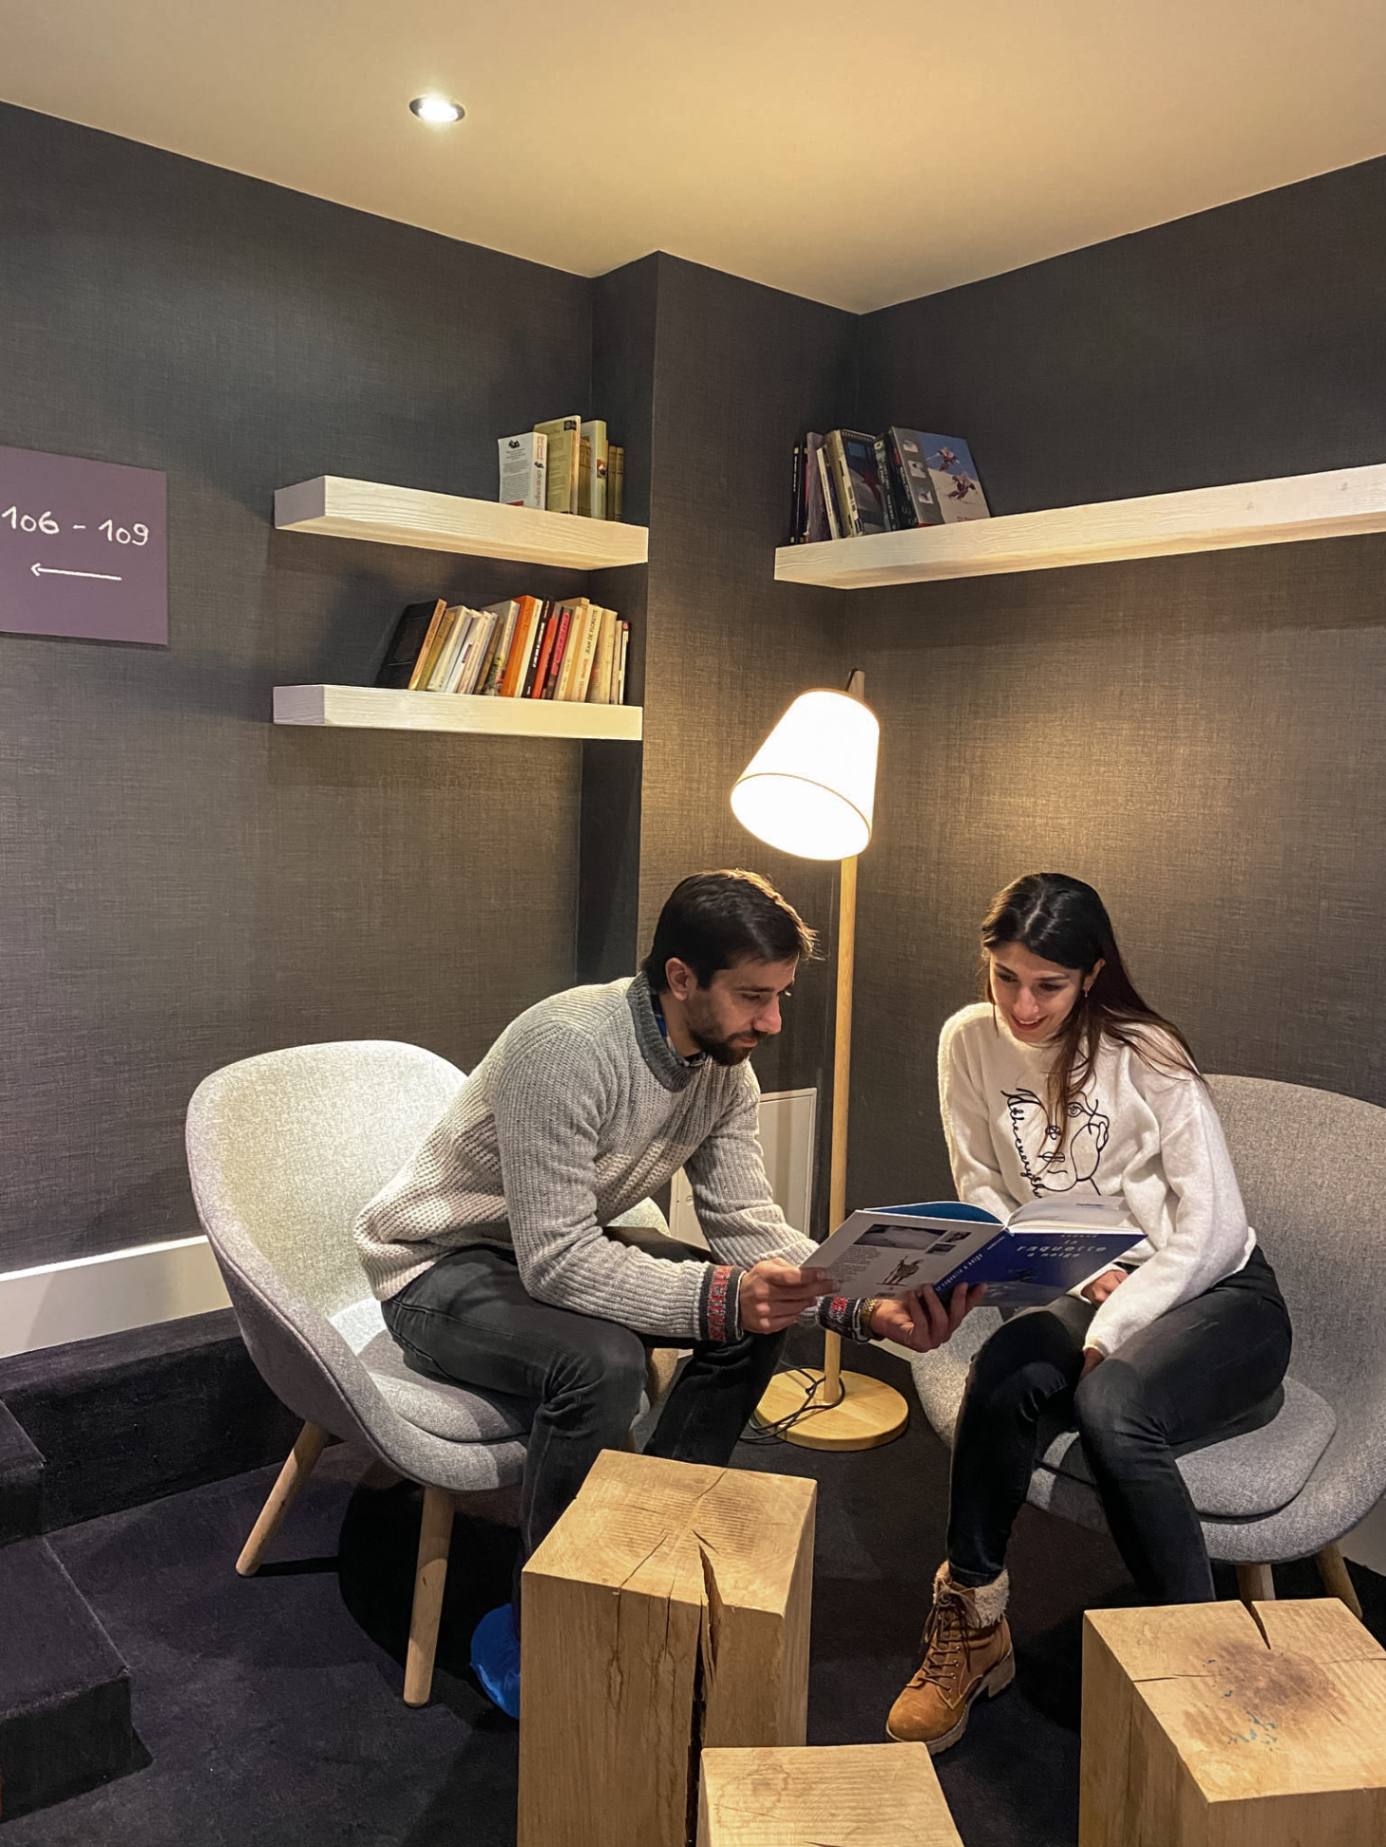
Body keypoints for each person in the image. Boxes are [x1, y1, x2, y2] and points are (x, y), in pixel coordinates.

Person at [356, 868, 971, 1716]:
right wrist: (723, 1298)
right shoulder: (565, 1046)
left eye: (782, 995)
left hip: (547, 1241)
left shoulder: (725, 1072)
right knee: (604, 1365)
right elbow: (558, 1265)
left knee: (756, 1310)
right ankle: (550, 1620)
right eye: (754, 996)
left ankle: (644, 1538)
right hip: (437, 1263)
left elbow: (750, 1227)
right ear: (680, 977)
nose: (773, 1021)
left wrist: (867, 1309)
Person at [887, 872, 1292, 1755]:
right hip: (1093, 1278)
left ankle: (1199, 1664)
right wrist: (1059, 1276)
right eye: (1004, 977)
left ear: (1092, 974)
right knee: (1004, 1371)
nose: (1021, 1005)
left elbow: (1212, 1228)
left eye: (1048, 985)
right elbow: (986, 1185)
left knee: (1115, 1408)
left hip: (1216, 1291)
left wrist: (1111, 1327)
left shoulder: (1147, 1052)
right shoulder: (967, 1040)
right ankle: (975, 1620)